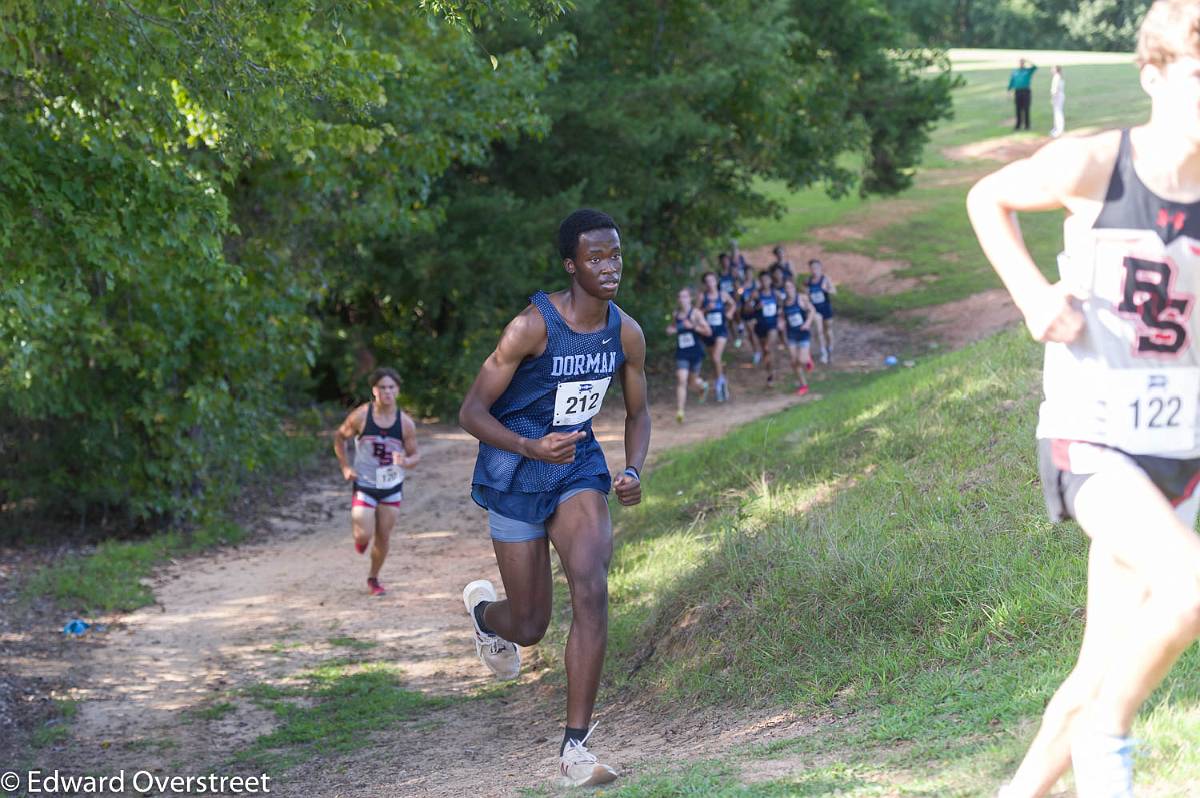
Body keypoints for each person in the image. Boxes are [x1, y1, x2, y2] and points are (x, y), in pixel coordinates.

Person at [966, 4, 1200, 795]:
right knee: (1192, 587)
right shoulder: (1098, 163)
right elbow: (985, 200)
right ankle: (1110, 740)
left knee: (1096, 668)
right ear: (1154, 76)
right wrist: (1034, 296)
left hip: (1183, 452)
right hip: (1093, 435)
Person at [458, 208, 651, 788]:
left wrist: (633, 467)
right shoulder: (531, 327)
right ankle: (484, 616)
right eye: (595, 257)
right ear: (572, 265)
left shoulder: (627, 332)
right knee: (531, 623)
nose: (608, 266)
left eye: (614, 254)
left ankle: (576, 750)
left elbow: (639, 413)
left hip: (576, 469)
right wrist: (528, 445)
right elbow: (470, 412)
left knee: (591, 585)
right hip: (514, 471)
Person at [333, 367, 420, 597]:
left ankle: (373, 578)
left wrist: (406, 461)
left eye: (391, 387)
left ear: (398, 390)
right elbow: (339, 437)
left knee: (383, 535)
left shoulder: (405, 423)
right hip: (365, 483)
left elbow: (415, 456)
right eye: (382, 387)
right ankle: (361, 540)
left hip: (391, 486)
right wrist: (345, 466)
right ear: (374, 390)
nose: (387, 392)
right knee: (363, 534)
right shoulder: (361, 416)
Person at [669, 286, 713, 421]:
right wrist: (671, 330)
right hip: (682, 352)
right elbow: (673, 327)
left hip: (695, 351)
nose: (683, 300)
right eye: (680, 297)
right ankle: (680, 411)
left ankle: (703, 386)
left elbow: (708, 331)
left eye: (685, 296)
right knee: (681, 379)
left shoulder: (696, 313)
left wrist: (693, 326)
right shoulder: (676, 314)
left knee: (692, 381)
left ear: (690, 298)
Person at [780, 278, 815, 395]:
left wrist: (807, 323)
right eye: (786, 288)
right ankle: (803, 385)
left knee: (801, 360)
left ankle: (808, 359)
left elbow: (812, 310)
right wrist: (781, 323)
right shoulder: (784, 303)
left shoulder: (801, 298)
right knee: (794, 361)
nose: (788, 290)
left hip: (803, 332)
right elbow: (783, 317)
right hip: (791, 334)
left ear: (794, 288)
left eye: (790, 287)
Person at [753, 271, 782, 386]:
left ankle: (772, 370)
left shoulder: (776, 294)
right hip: (760, 326)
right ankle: (770, 372)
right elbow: (746, 310)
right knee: (766, 351)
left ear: (770, 281)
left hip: (772, 325)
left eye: (767, 279)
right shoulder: (756, 294)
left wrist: (780, 315)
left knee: (768, 348)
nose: (765, 282)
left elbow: (781, 306)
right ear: (760, 282)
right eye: (762, 280)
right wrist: (756, 307)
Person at [806, 259, 837, 364]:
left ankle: (830, 349)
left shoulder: (825, 279)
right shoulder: (808, 281)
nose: (814, 270)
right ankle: (823, 352)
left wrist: (826, 289)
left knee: (827, 330)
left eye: (816, 267)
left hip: (825, 307)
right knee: (818, 331)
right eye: (812, 268)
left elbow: (834, 292)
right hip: (815, 310)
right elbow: (807, 295)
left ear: (820, 268)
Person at [1009, 58, 1038, 131]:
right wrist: (1009, 90)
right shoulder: (1015, 72)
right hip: (1018, 91)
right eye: (1020, 63)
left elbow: (1035, 67)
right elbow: (1012, 81)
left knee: (1026, 108)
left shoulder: (1027, 71)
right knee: (1018, 109)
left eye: (1022, 63)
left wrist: (1028, 61)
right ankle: (1018, 125)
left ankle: (1027, 125)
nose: (1021, 64)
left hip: (1026, 91)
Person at [738, 269, 761, 361]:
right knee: (751, 333)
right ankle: (756, 352)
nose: (749, 275)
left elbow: (762, 295)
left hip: (757, 311)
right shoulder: (742, 286)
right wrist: (741, 289)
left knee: (758, 332)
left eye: (750, 273)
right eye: (747, 273)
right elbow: (737, 295)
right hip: (746, 312)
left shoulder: (757, 284)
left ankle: (761, 348)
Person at [1050, 66, 1066, 138]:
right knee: (1057, 112)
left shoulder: (1056, 77)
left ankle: (1058, 130)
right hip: (1060, 96)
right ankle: (1057, 129)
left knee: (1058, 113)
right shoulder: (1058, 76)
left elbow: (1055, 89)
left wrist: (1053, 98)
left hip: (1057, 97)